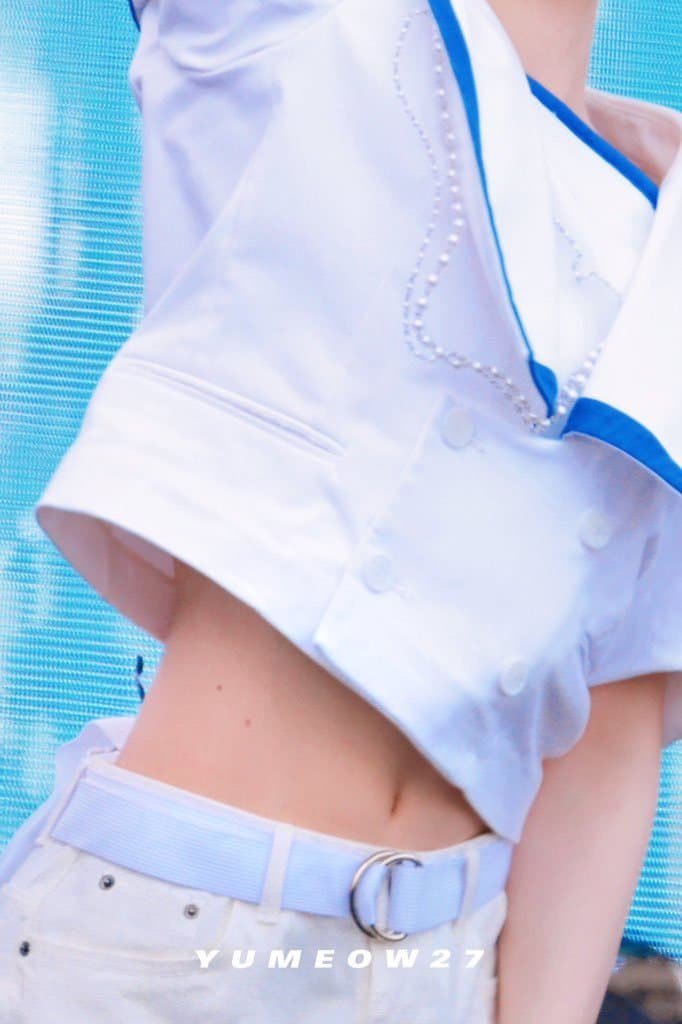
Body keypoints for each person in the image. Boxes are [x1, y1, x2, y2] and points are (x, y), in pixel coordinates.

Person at [0, 0, 680, 1021]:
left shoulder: (661, 229)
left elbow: (608, 721)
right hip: (171, 936)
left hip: (446, 964)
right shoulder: (283, 27)